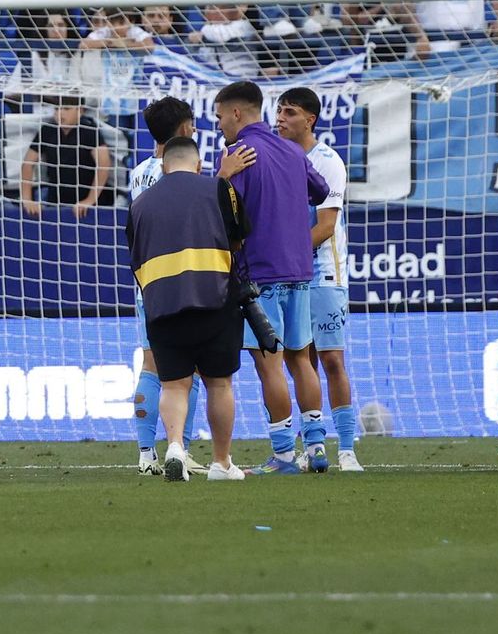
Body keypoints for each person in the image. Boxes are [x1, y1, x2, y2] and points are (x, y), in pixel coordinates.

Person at [212, 79, 330, 475]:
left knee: (270, 365)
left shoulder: (237, 154)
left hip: (259, 275)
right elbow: (320, 189)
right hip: (299, 270)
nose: (219, 126)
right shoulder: (293, 150)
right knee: (302, 360)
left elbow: (220, 214)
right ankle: (316, 448)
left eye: (219, 117)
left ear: (236, 113)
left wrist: (224, 178)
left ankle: (282, 455)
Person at [125, 136, 249, 483]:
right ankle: (221, 463)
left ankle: (175, 446)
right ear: (198, 165)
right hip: (214, 298)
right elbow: (239, 241)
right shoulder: (220, 190)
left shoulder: (140, 204)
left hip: (162, 303)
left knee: (174, 385)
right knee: (219, 385)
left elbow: (135, 259)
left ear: (163, 167)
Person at [273, 86, 360, 473]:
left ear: (310, 119)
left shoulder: (327, 161)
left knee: (331, 360)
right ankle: (313, 446)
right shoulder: (275, 157)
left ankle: (347, 449)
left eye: (289, 112)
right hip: (291, 274)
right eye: (278, 111)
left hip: (323, 272)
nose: (280, 119)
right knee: (299, 360)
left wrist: (282, 254)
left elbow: (325, 227)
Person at [20, 98, 111, 219]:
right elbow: (27, 163)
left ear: (80, 111)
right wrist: (27, 199)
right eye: (57, 109)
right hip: (55, 201)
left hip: (88, 205)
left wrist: (89, 200)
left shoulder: (89, 130)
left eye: (66, 109)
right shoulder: (47, 130)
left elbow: (104, 164)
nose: (60, 113)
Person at [81, 6, 154, 52]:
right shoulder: (105, 31)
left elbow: (149, 45)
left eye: (121, 23)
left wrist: (124, 44)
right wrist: (111, 43)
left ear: (131, 22)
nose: (116, 27)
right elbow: (83, 45)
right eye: (112, 23)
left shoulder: (134, 31)